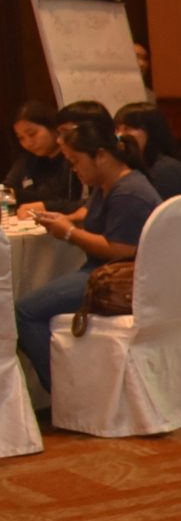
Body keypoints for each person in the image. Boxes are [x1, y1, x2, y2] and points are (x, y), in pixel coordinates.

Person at [15, 117, 158, 392]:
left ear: (100, 156)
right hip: (102, 272)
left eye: (76, 161)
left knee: (25, 312)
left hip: (119, 279)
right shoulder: (108, 184)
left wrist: (69, 233)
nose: (73, 169)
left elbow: (121, 250)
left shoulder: (129, 192)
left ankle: (66, 392)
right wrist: (67, 219)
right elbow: (92, 216)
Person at [112, 103, 181, 208]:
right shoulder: (133, 167)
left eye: (127, 129)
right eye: (117, 130)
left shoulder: (166, 170)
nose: (119, 136)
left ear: (151, 132)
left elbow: (162, 214)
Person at [7, 103, 78, 213]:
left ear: (54, 128)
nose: (28, 143)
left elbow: (82, 203)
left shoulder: (74, 157)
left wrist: (46, 205)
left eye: (32, 134)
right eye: (21, 138)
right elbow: (7, 188)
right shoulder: (27, 159)